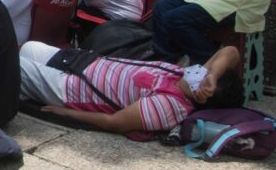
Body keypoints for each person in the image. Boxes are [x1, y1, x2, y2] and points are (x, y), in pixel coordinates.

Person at [19, 42, 243, 134]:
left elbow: (114, 122)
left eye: (205, 76)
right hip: (79, 63)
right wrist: (212, 75)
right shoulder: (187, 79)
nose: (202, 70)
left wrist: (66, 113)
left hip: (67, 89)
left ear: (202, 97)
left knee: (10, 63)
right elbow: (231, 52)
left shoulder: (169, 106)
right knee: (27, 47)